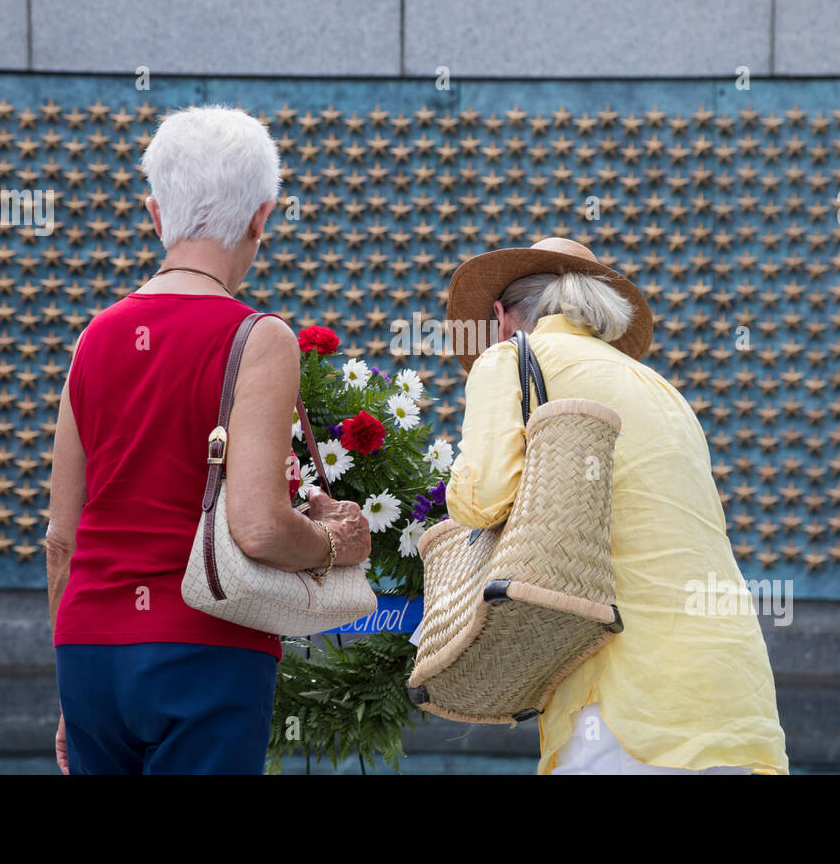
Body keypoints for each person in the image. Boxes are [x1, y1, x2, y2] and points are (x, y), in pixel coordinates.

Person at [45, 105, 370, 774]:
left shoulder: (95, 337)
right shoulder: (261, 338)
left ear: (156, 214)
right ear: (262, 216)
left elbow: (62, 538)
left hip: (89, 652)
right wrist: (337, 542)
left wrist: (73, 685)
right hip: (205, 650)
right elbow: (257, 528)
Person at [444, 237, 789, 774]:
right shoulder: (660, 387)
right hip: (735, 695)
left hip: (626, 702)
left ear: (500, 316)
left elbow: (482, 496)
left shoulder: (510, 357)